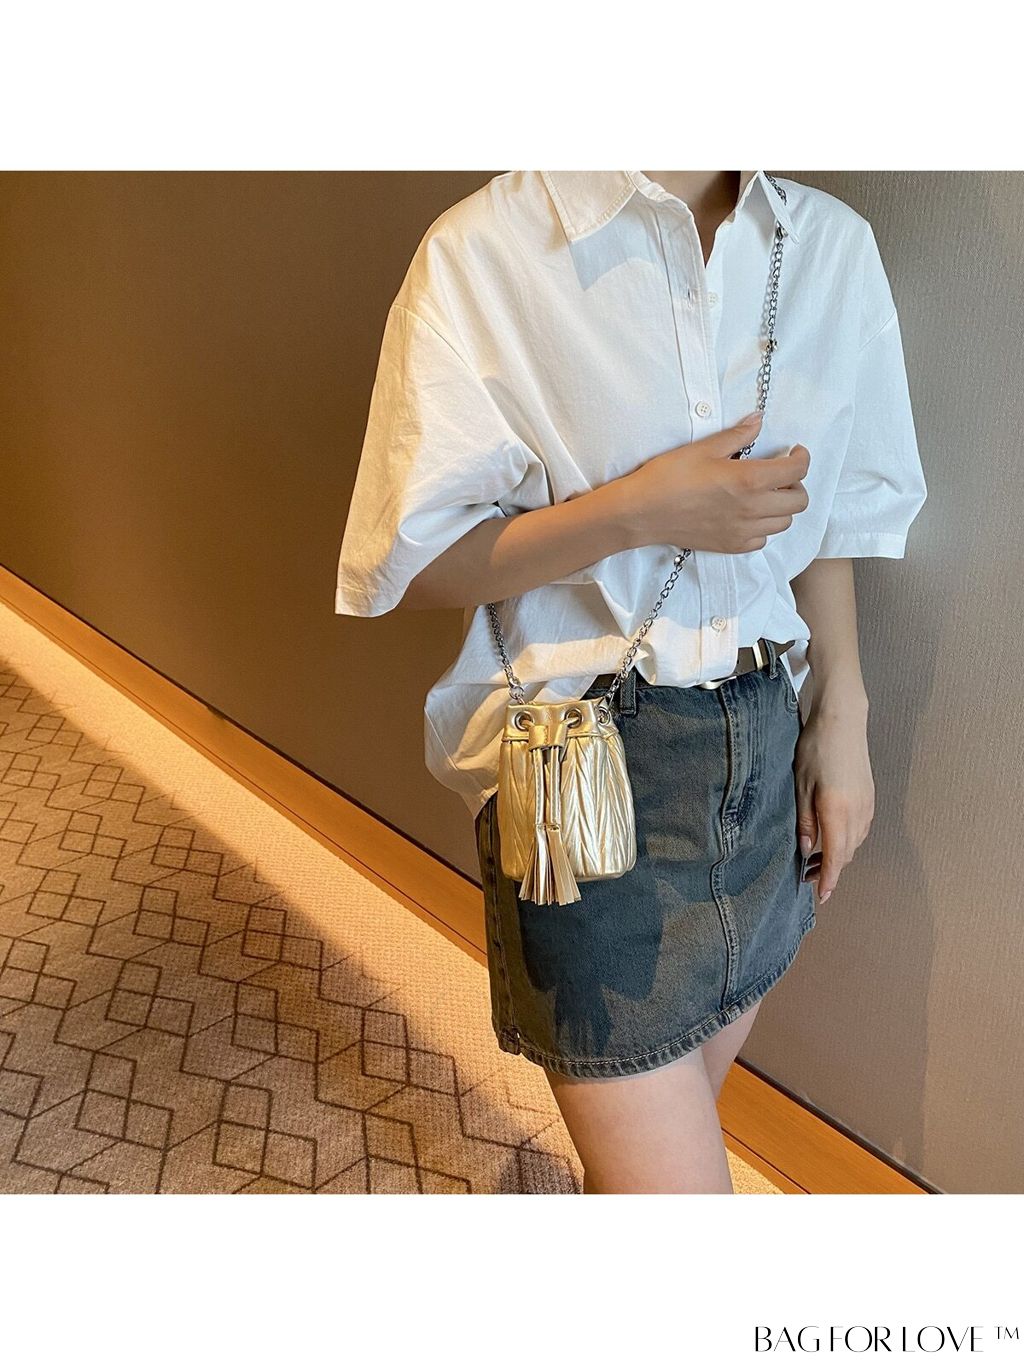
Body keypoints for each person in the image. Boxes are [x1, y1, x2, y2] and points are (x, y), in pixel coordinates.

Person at [334, 171, 927, 1194]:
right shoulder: (489, 250)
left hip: (763, 751)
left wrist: (843, 713)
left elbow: (821, 513)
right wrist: (639, 510)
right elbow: (414, 564)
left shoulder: (829, 246)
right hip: (589, 774)